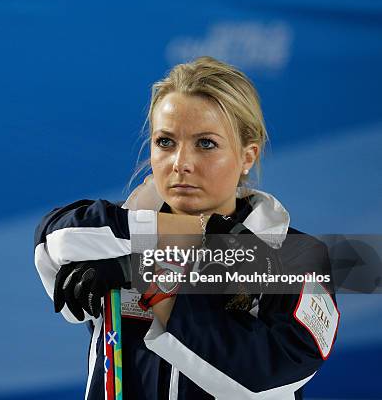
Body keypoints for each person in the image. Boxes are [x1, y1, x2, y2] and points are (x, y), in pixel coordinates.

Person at [33, 56, 339, 399]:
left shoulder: (297, 258)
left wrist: (144, 274)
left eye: (205, 144)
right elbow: (53, 240)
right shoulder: (120, 231)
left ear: (247, 156)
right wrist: (182, 233)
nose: (181, 163)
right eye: (166, 142)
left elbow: (266, 375)